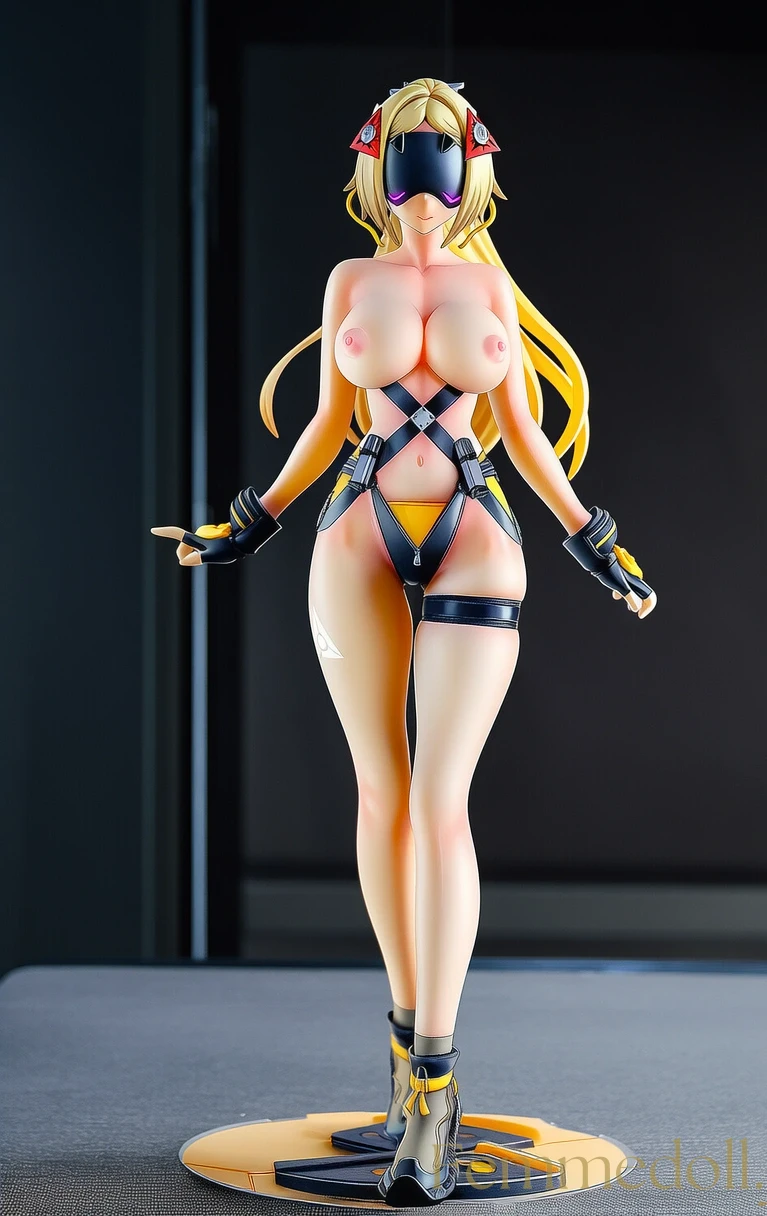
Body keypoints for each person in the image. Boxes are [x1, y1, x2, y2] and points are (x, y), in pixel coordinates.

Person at [153, 76, 656, 1206]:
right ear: (374, 164)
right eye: (404, 150)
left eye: (441, 150)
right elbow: (326, 424)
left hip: (474, 531)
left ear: (471, 163)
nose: (423, 175)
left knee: (439, 799)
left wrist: (596, 543)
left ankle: (434, 1081)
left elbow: (525, 435)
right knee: (382, 793)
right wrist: (247, 523)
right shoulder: (352, 280)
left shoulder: (488, 287)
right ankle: (403, 1060)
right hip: (355, 530)